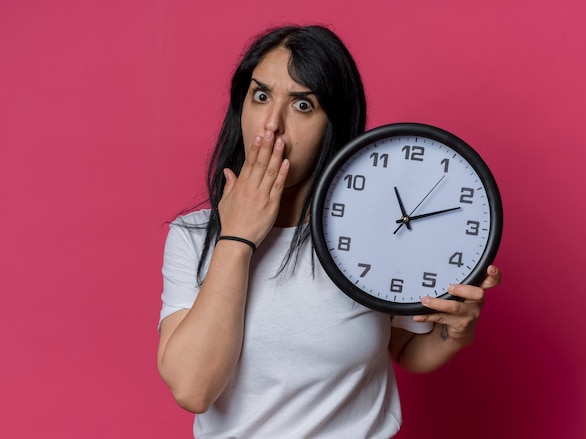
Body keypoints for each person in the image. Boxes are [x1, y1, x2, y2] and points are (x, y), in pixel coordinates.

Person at [157, 25, 501, 438]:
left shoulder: (375, 236)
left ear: (333, 125)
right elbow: (194, 390)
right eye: (261, 96)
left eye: (303, 105)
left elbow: (406, 349)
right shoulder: (192, 237)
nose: (272, 125)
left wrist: (456, 333)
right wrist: (237, 239)